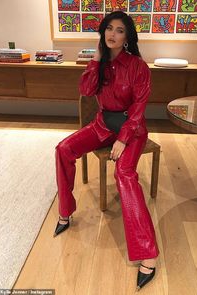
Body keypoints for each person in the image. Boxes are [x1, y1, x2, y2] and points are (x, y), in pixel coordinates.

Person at [54, 10, 159, 291]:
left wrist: (123, 139)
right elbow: (86, 89)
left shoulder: (138, 66)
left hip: (132, 129)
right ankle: (65, 212)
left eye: (120, 30)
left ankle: (147, 253)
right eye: (108, 29)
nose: (112, 34)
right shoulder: (99, 63)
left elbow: (138, 108)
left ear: (128, 37)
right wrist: (97, 58)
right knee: (63, 149)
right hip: (102, 125)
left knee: (124, 174)